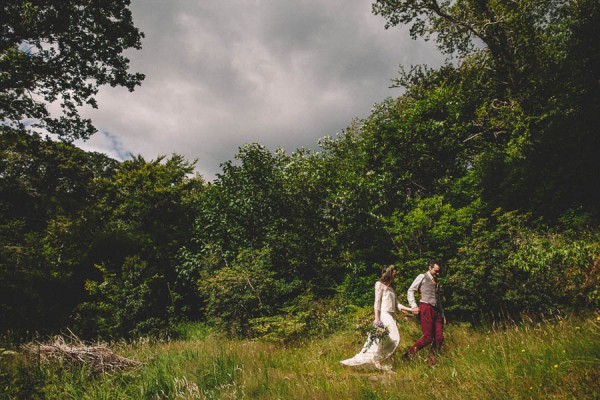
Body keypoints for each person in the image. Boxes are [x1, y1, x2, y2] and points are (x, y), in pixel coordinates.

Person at [340, 265, 415, 370]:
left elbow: (397, 305)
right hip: (383, 315)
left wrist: (412, 309)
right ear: (388, 273)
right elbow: (377, 302)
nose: (395, 274)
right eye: (394, 273)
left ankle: (379, 361)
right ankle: (377, 361)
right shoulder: (379, 285)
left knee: (387, 340)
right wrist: (377, 319)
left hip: (391, 316)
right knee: (391, 338)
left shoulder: (392, 289)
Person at [403, 260, 445, 366]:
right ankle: (408, 355)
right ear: (430, 268)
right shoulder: (422, 276)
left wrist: (442, 314)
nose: (438, 273)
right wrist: (413, 306)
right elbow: (411, 290)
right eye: (436, 271)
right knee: (428, 337)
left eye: (439, 271)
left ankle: (431, 362)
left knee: (439, 337)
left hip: (436, 311)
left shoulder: (437, 281)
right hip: (426, 307)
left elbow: (438, 299)